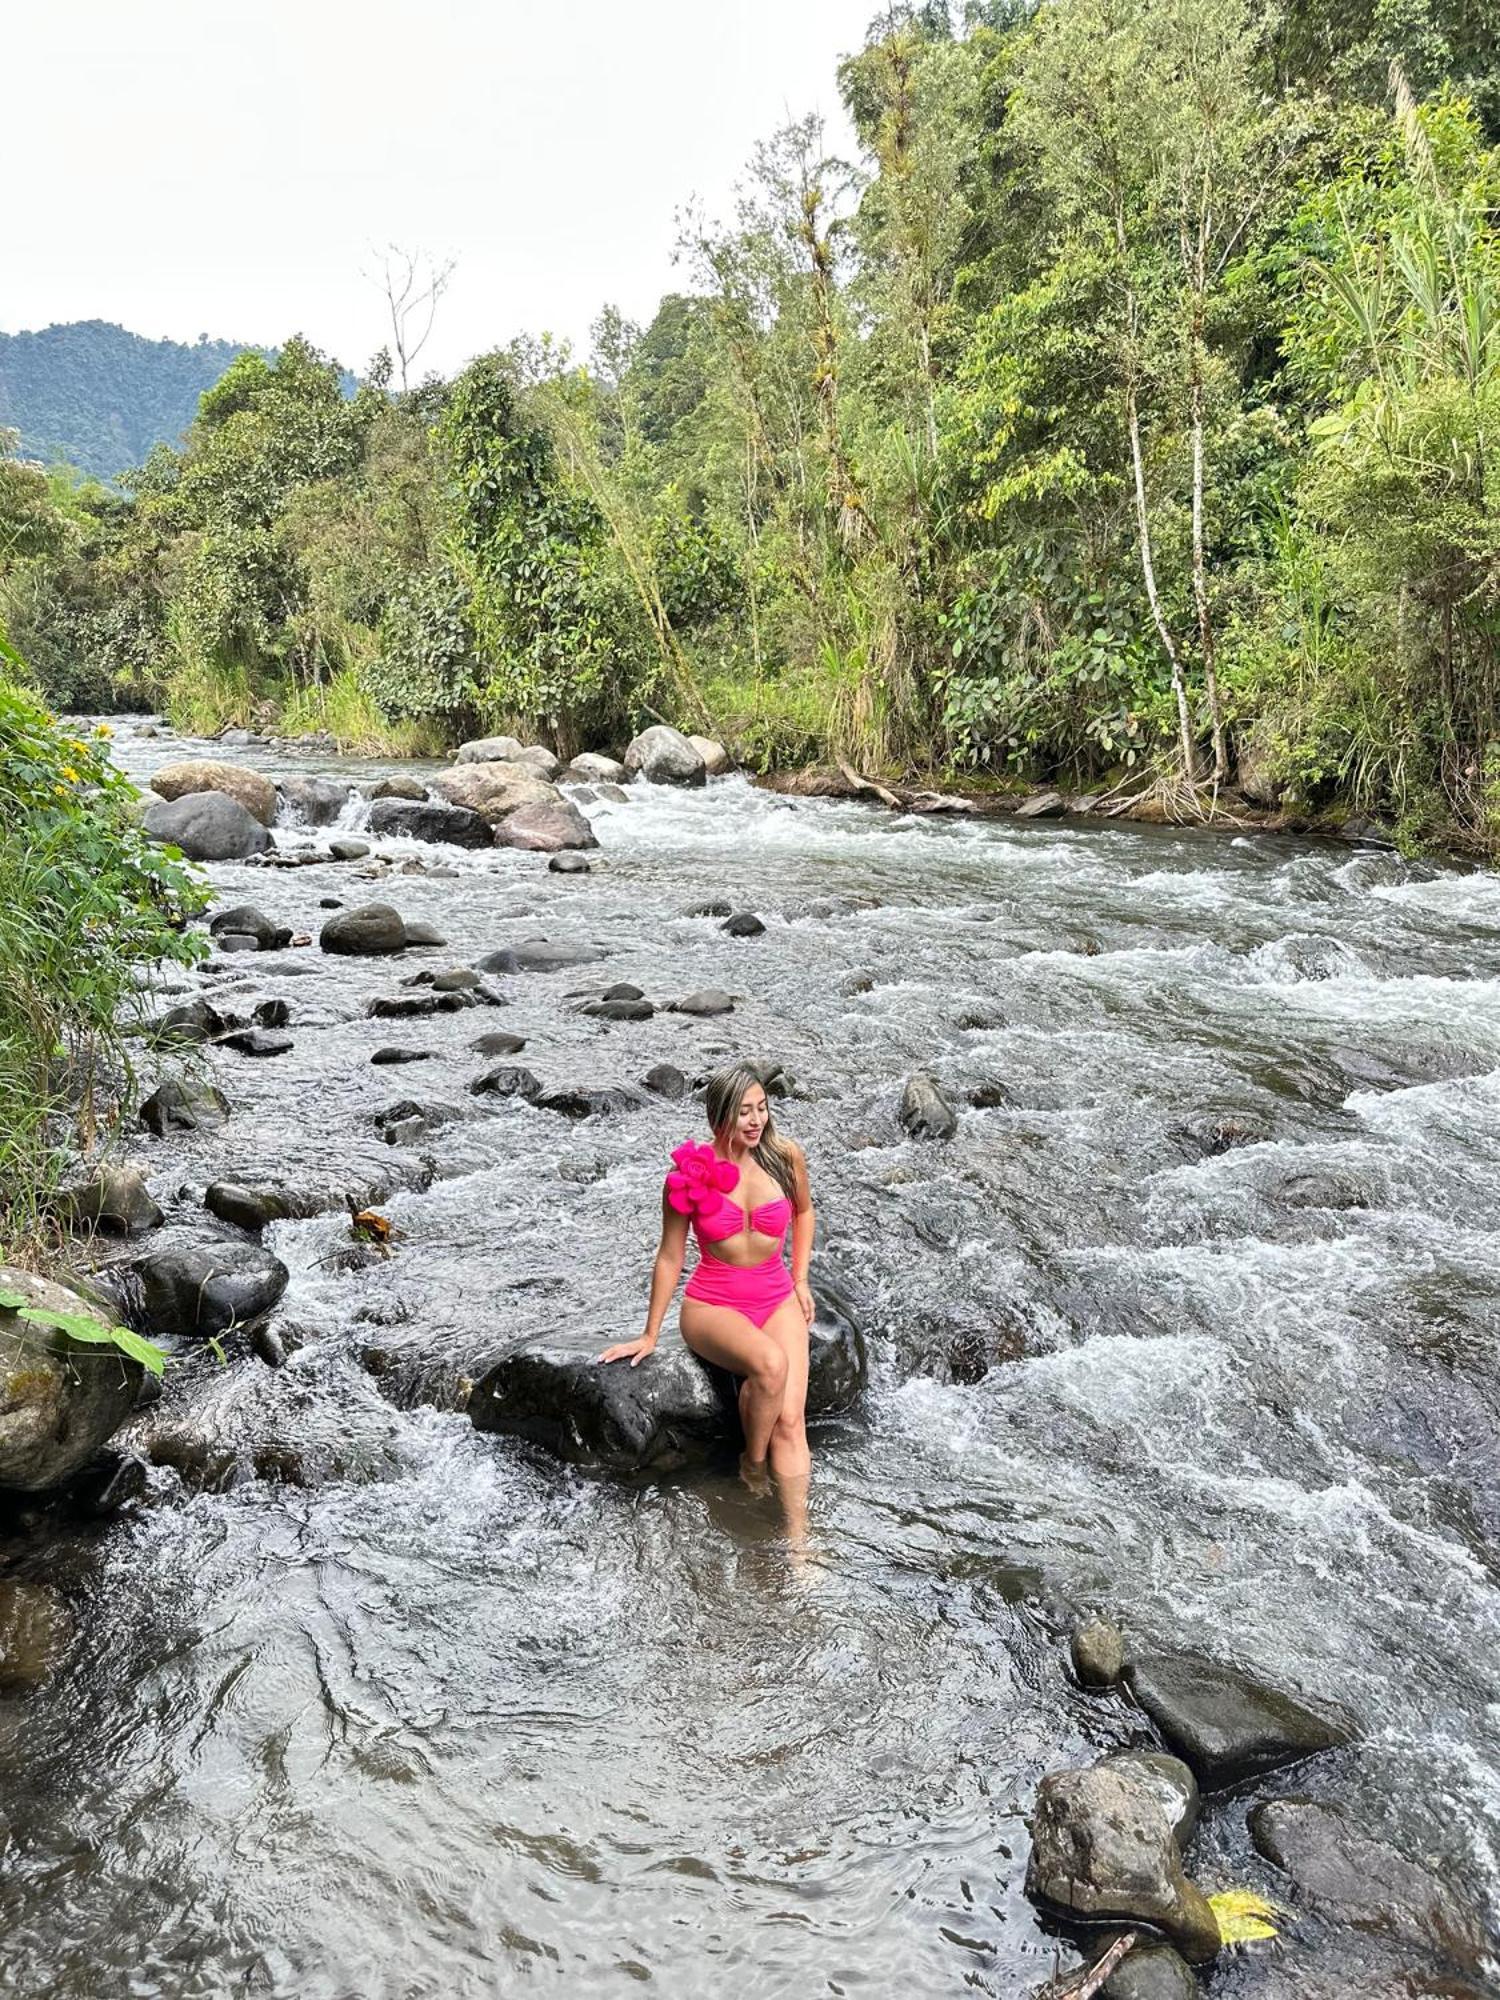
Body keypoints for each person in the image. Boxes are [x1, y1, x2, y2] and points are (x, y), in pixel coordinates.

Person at [599, 1064, 816, 1500]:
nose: (757, 1121)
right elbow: (670, 1255)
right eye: (744, 1112)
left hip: (775, 1297)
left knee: (791, 1423)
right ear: (718, 1116)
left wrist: (801, 1278)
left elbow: (804, 1212)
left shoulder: (784, 1156)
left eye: (763, 1108)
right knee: (771, 1366)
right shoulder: (689, 1174)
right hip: (713, 1305)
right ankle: (752, 1464)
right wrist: (650, 1333)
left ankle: (799, 1546)